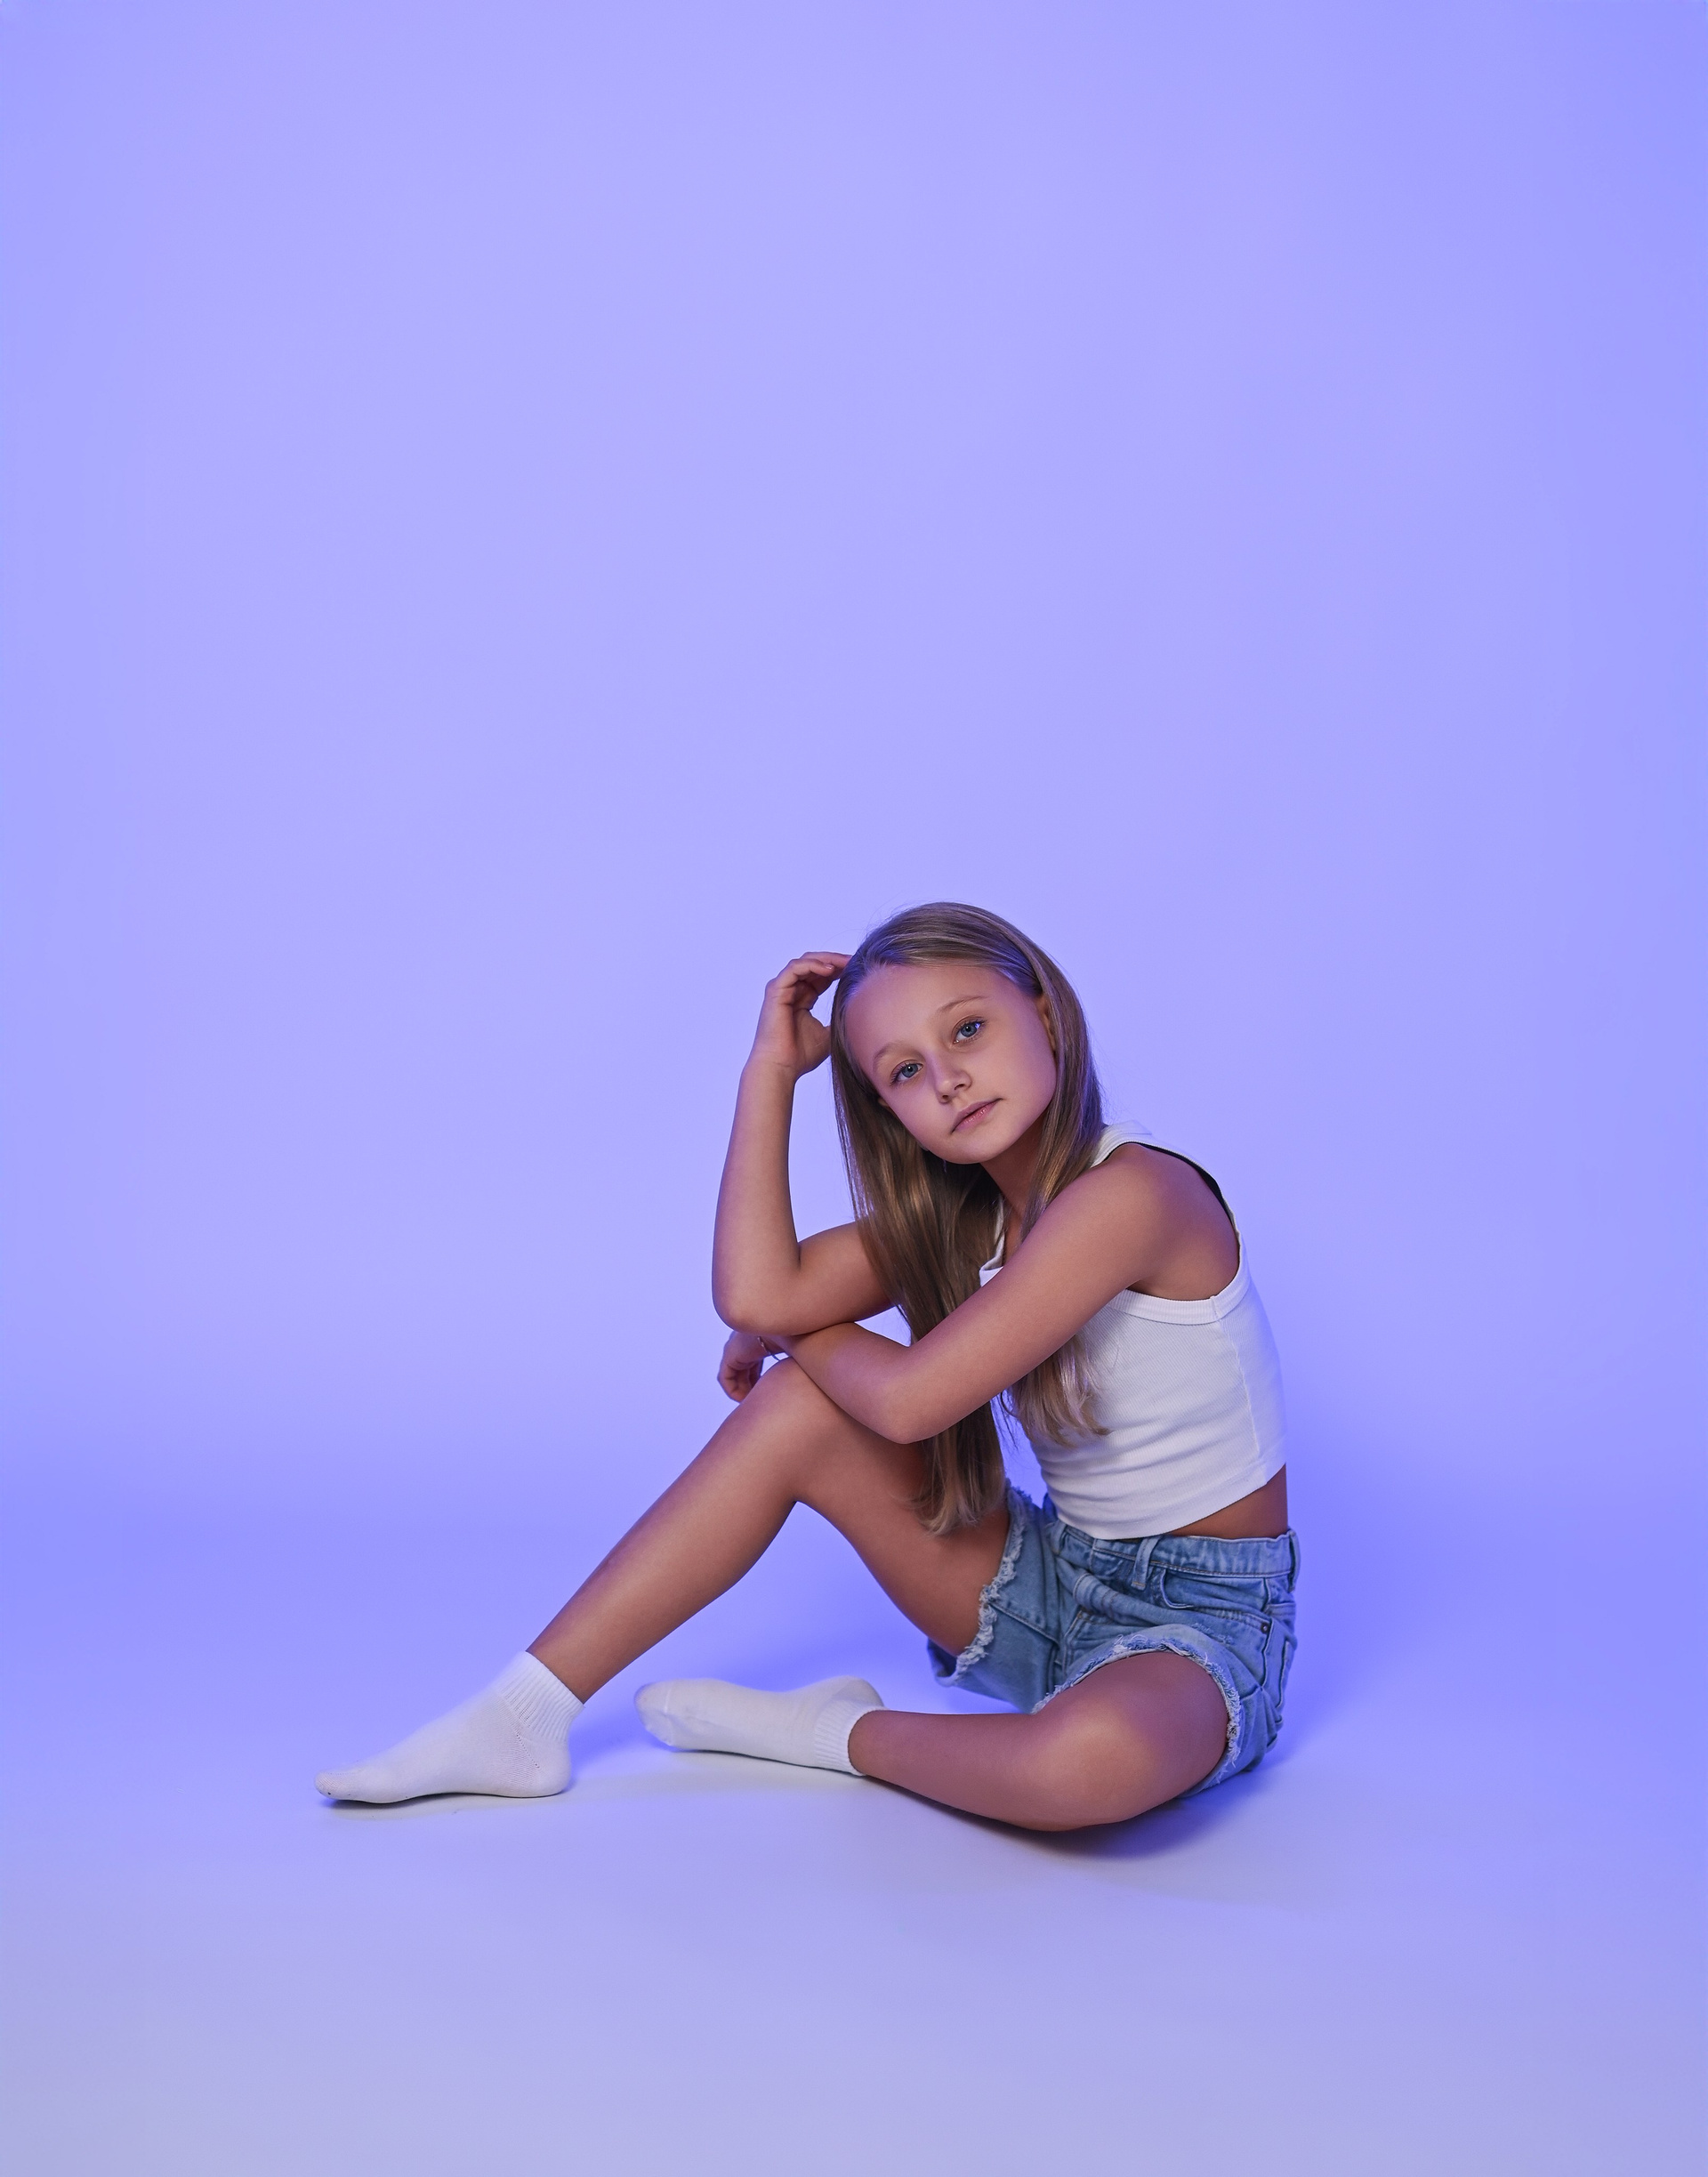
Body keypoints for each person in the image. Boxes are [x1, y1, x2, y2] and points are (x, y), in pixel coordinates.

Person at [316, 903, 1296, 1832]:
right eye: (904, 1070)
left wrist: (801, 1330)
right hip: (1049, 1582)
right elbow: (754, 1292)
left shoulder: (1133, 1195)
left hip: (1202, 1626)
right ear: (886, 1108)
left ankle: (830, 1733)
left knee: (1085, 1765)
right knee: (798, 1405)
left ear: (1043, 1011)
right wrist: (770, 1073)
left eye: (967, 1029)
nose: (948, 1079)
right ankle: (522, 1714)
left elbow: (906, 1401)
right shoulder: (970, 1220)